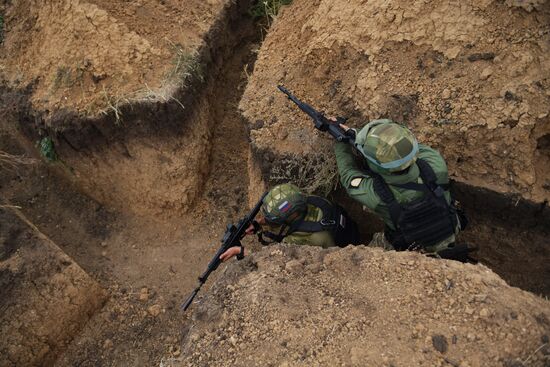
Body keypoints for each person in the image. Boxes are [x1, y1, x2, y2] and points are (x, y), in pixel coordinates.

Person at [334, 119, 469, 260]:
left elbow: (348, 174)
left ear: (377, 166)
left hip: (412, 248)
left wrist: (341, 142)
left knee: (371, 254)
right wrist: (364, 138)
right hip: (449, 229)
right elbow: (408, 146)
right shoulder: (435, 163)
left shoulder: (377, 195)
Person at [220, 183, 361, 261]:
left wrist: (241, 251)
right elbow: (287, 218)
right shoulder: (312, 201)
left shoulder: (300, 238)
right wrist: (259, 223)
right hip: (351, 232)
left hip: (340, 259)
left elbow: (274, 260)